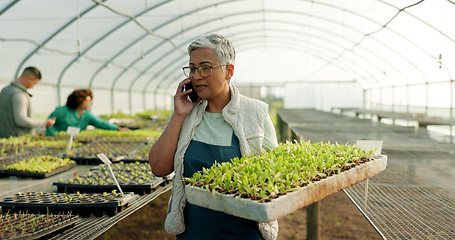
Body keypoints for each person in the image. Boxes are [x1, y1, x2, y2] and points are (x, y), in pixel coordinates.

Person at [148, 33, 279, 240]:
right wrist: (178, 116)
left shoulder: (255, 114)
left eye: (205, 67)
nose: (197, 75)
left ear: (229, 71)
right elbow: (158, 168)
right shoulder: (186, 114)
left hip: (245, 233)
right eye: (192, 68)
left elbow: (275, 179)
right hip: (194, 232)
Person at [0, 66, 55, 138]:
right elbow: (21, 120)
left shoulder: (5, 90)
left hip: (4, 137)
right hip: (17, 139)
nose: (33, 86)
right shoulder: (19, 95)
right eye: (34, 83)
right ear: (30, 78)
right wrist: (44, 123)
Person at [45, 89, 129, 136]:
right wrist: (55, 136)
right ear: (78, 101)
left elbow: (101, 123)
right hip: (57, 143)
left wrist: (117, 128)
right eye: (87, 101)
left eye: (90, 101)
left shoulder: (86, 114)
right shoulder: (61, 111)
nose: (90, 103)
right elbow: (48, 124)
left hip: (75, 143)